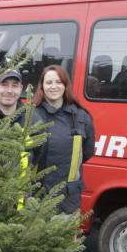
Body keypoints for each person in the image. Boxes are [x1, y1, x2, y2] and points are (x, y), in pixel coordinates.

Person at [32, 65, 96, 214]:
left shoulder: (81, 117)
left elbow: (86, 153)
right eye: (48, 83)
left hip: (69, 200)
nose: (53, 86)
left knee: (66, 237)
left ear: (65, 85)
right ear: (42, 87)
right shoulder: (31, 116)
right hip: (37, 199)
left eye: (58, 82)